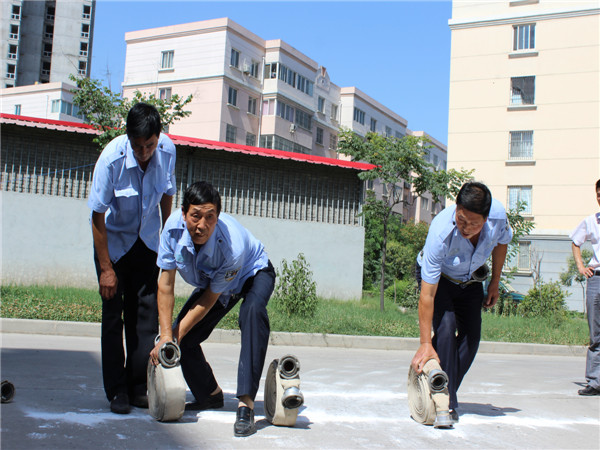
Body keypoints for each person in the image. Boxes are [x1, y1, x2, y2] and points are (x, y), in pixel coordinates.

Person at [151, 181, 275, 437]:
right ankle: (210, 394)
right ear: (184, 213)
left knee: (252, 312)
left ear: (218, 217)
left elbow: (209, 298)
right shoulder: (172, 232)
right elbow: (165, 284)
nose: (202, 225)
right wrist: (167, 337)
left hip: (253, 272)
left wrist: (174, 336)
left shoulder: (231, 246)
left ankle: (246, 405)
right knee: (184, 339)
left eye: (210, 217)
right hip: (218, 284)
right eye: (195, 216)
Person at [88, 102, 177, 414]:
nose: (144, 152)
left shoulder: (167, 150)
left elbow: (167, 194)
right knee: (114, 316)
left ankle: (138, 386)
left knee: (144, 318)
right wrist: (105, 269)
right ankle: (116, 390)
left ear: (158, 137)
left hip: (147, 243)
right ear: (128, 138)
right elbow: (97, 216)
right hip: (113, 245)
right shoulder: (111, 159)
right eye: (137, 146)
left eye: (149, 145)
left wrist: (165, 242)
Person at [411, 181, 512, 423]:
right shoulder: (440, 232)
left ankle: (438, 383)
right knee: (445, 329)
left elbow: (502, 243)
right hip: (440, 280)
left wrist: (495, 282)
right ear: (456, 208)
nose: (466, 228)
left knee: (472, 337)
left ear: (486, 219)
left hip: (470, 280)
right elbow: (427, 295)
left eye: (474, 224)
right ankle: (446, 401)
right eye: (461, 219)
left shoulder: (498, 218)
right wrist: (425, 344)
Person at [569, 179, 600, 396]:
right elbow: (576, 241)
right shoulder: (591, 221)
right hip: (596, 279)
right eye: (599, 194)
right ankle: (595, 381)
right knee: (596, 334)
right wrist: (581, 266)